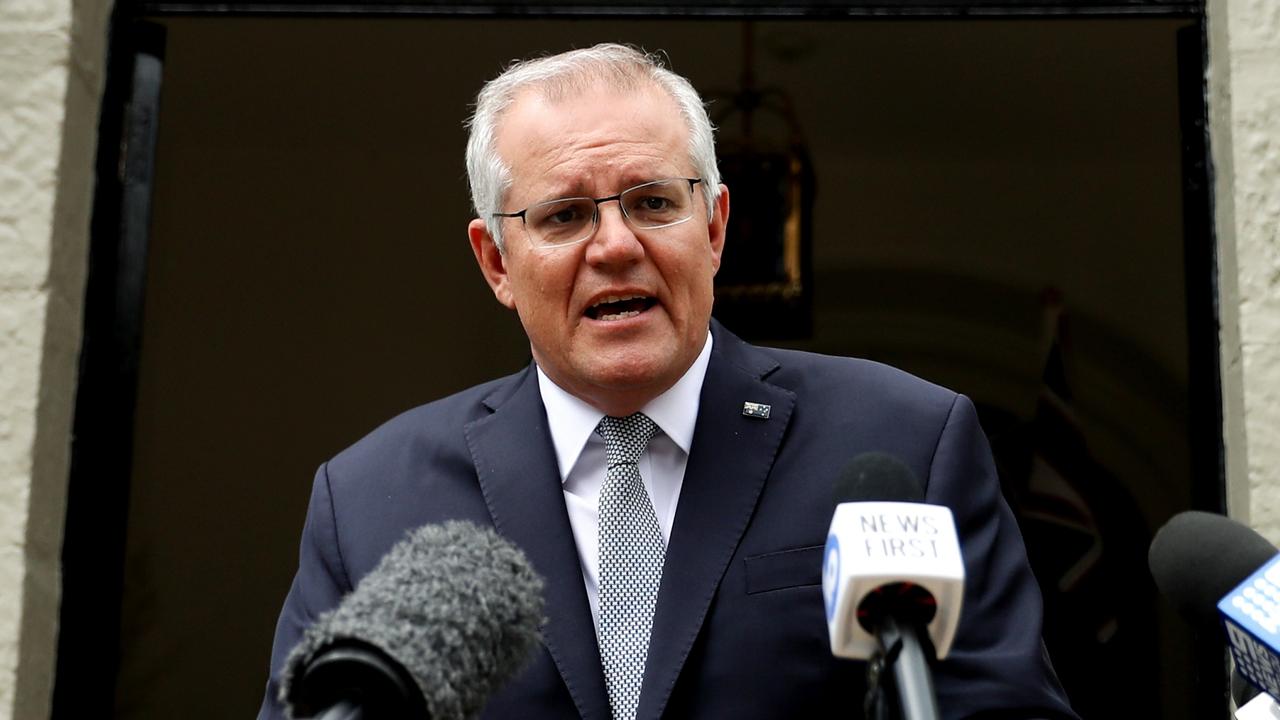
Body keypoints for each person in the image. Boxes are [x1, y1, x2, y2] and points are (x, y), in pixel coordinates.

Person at [258, 43, 1077, 720]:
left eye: (652, 203)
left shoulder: (903, 440)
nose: (614, 245)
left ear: (714, 227)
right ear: (495, 261)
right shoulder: (368, 501)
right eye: (565, 216)